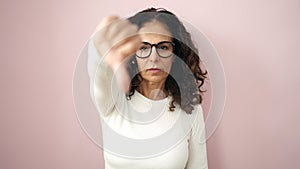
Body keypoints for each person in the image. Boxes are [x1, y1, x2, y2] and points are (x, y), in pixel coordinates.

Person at [88, 7, 208, 169]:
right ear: (131, 54)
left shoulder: (191, 109)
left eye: (163, 47)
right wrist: (101, 48)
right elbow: (99, 75)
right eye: (143, 47)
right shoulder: (113, 100)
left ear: (175, 55)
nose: (154, 58)